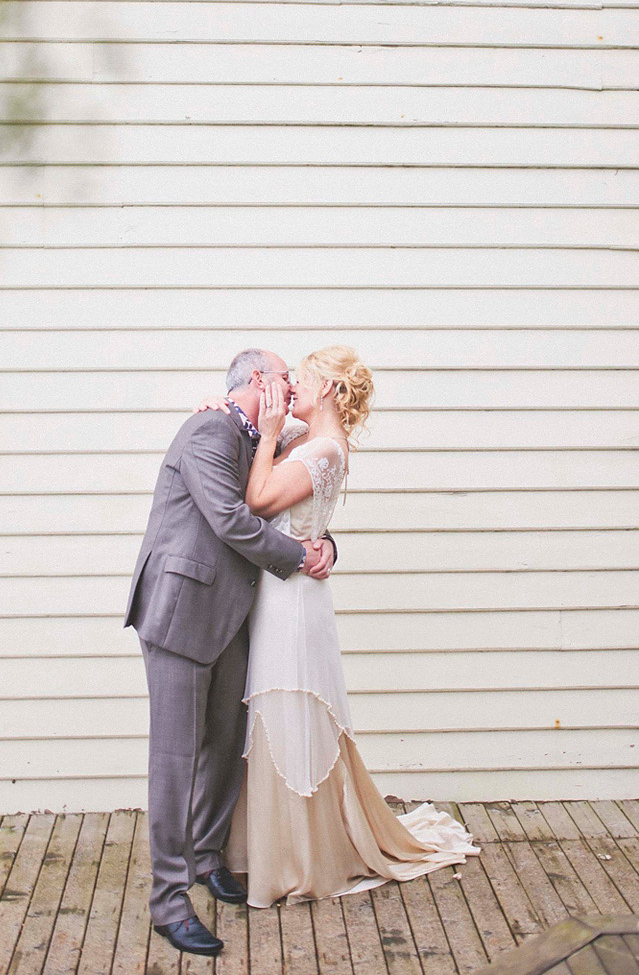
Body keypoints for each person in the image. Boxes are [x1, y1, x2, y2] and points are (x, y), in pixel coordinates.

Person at [198, 344, 478, 906]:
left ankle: (301, 856)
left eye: (299, 379)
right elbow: (282, 495)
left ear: (326, 388)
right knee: (269, 719)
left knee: (287, 715)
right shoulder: (305, 441)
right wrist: (230, 411)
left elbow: (255, 500)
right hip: (277, 595)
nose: (290, 388)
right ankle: (269, 846)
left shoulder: (324, 449)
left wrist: (273, 427)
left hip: (294, 604)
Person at [123, 349, 337, 956]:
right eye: (285, 375)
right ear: (258, 382)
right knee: (175, 758)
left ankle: (205, 856)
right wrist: (299, 560)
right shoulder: (207, 430)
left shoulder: (264, 436)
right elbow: (229, 518)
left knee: (226, 741)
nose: (293, 384)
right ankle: (168, 902)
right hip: (180, 613)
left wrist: (323, 545)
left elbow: (290, 499)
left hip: (232, 617)